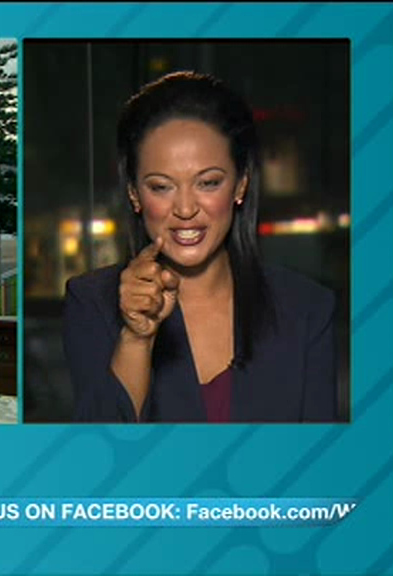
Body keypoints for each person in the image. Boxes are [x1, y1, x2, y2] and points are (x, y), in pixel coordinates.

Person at [63, 71, 337, 422]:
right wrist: (136, 338)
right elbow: (97, 449)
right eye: (161, 187)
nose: (185, 209)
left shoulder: (306, 308)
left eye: (208, 183)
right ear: (134, 193)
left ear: (240, 184)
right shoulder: (92, 303)